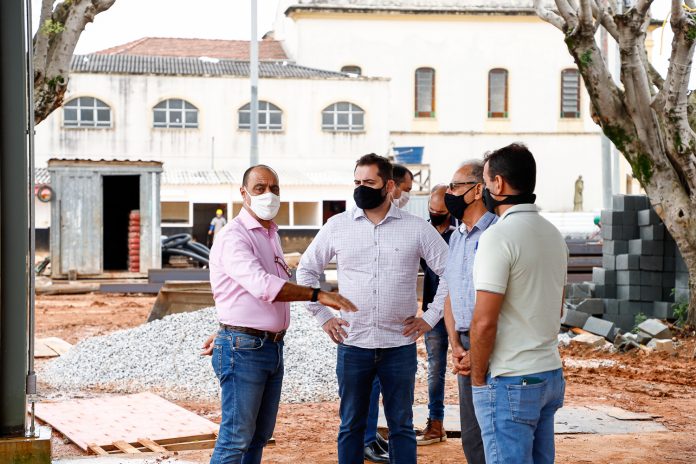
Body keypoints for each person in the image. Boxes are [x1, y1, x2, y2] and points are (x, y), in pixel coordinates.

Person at [296, 153, 449, 464]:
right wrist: (325, 317)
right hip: (354, 345)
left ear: (389, 185)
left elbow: (452, 270)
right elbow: (306, 272)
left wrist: (431, 317)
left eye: (369, 182)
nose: (361, 188)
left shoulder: (416, 228)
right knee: (351, 426)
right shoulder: (337, 226)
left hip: (399, 347)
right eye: (357, 182)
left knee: (401, 427)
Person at [201, 164, 357, 464]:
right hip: (244, 350)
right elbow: (261, 285)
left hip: (268, 347)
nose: (268, 194)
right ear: (243, 193)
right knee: (235, 438)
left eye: (274, 188)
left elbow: (242, 295)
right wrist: (317, 294)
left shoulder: (269, 233)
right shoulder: (235, 236)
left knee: (258, 436)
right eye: (260, 188)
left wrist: (226, 329)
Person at [469, 144, 568, 464]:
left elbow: (484, 321)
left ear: (498, 184)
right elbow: (558, 307)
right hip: (549, 373)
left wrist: (477, 375)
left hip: (511, 379)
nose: (483, 190)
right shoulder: (554, 235)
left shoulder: (498, 237)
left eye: (485, 182)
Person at [441, 160, 496, 463]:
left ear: (477, 190)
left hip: (493, 341)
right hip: (463, 344)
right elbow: (450, 291)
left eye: (454, 186)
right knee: (471, 430)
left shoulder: (497, 233)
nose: (448, 193)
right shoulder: (457, 237)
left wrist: (478, 346)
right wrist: (455, 344)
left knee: (495, 426)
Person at [415, 184, 458, 446]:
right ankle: (436, 422)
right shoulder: (424, 232)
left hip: (460, 311)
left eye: (440, 211)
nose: (435, 214)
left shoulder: (460, 234)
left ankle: (478, 423)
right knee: (435, 370)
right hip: (434, 311)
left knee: (469, 367)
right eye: (432, 210)